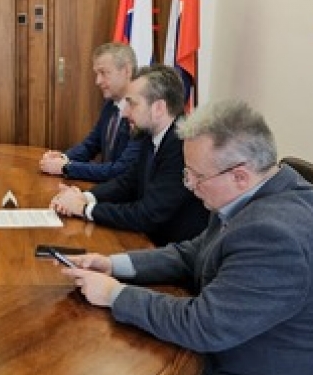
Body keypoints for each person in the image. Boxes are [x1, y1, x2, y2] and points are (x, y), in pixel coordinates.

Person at [61, 100, 313, 375]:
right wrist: (113, 264)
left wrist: (115, 295)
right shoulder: (251, 195)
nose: (190, 186)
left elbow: (202, 326)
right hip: (247, 353)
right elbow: (194, 253)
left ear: (239, 175)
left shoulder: (274, 236)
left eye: (196, 176)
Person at [51, 64, 208, 246]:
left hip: (173, 253)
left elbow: (147, 214)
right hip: (150, 243)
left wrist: (84, 209)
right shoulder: (150, 136)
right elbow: (127, 183)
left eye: (132, 104)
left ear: (158, 108)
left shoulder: (183, 146)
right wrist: (85, 197)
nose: (125, 113)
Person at [40, 43, 142, 182]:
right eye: (97, 74)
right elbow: (91, 145)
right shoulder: (110, 105)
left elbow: (120, 169)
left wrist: (66, 167)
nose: (97, 81)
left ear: (126, 71)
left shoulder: (141, 114)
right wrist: (64, 158)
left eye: (104, 73)